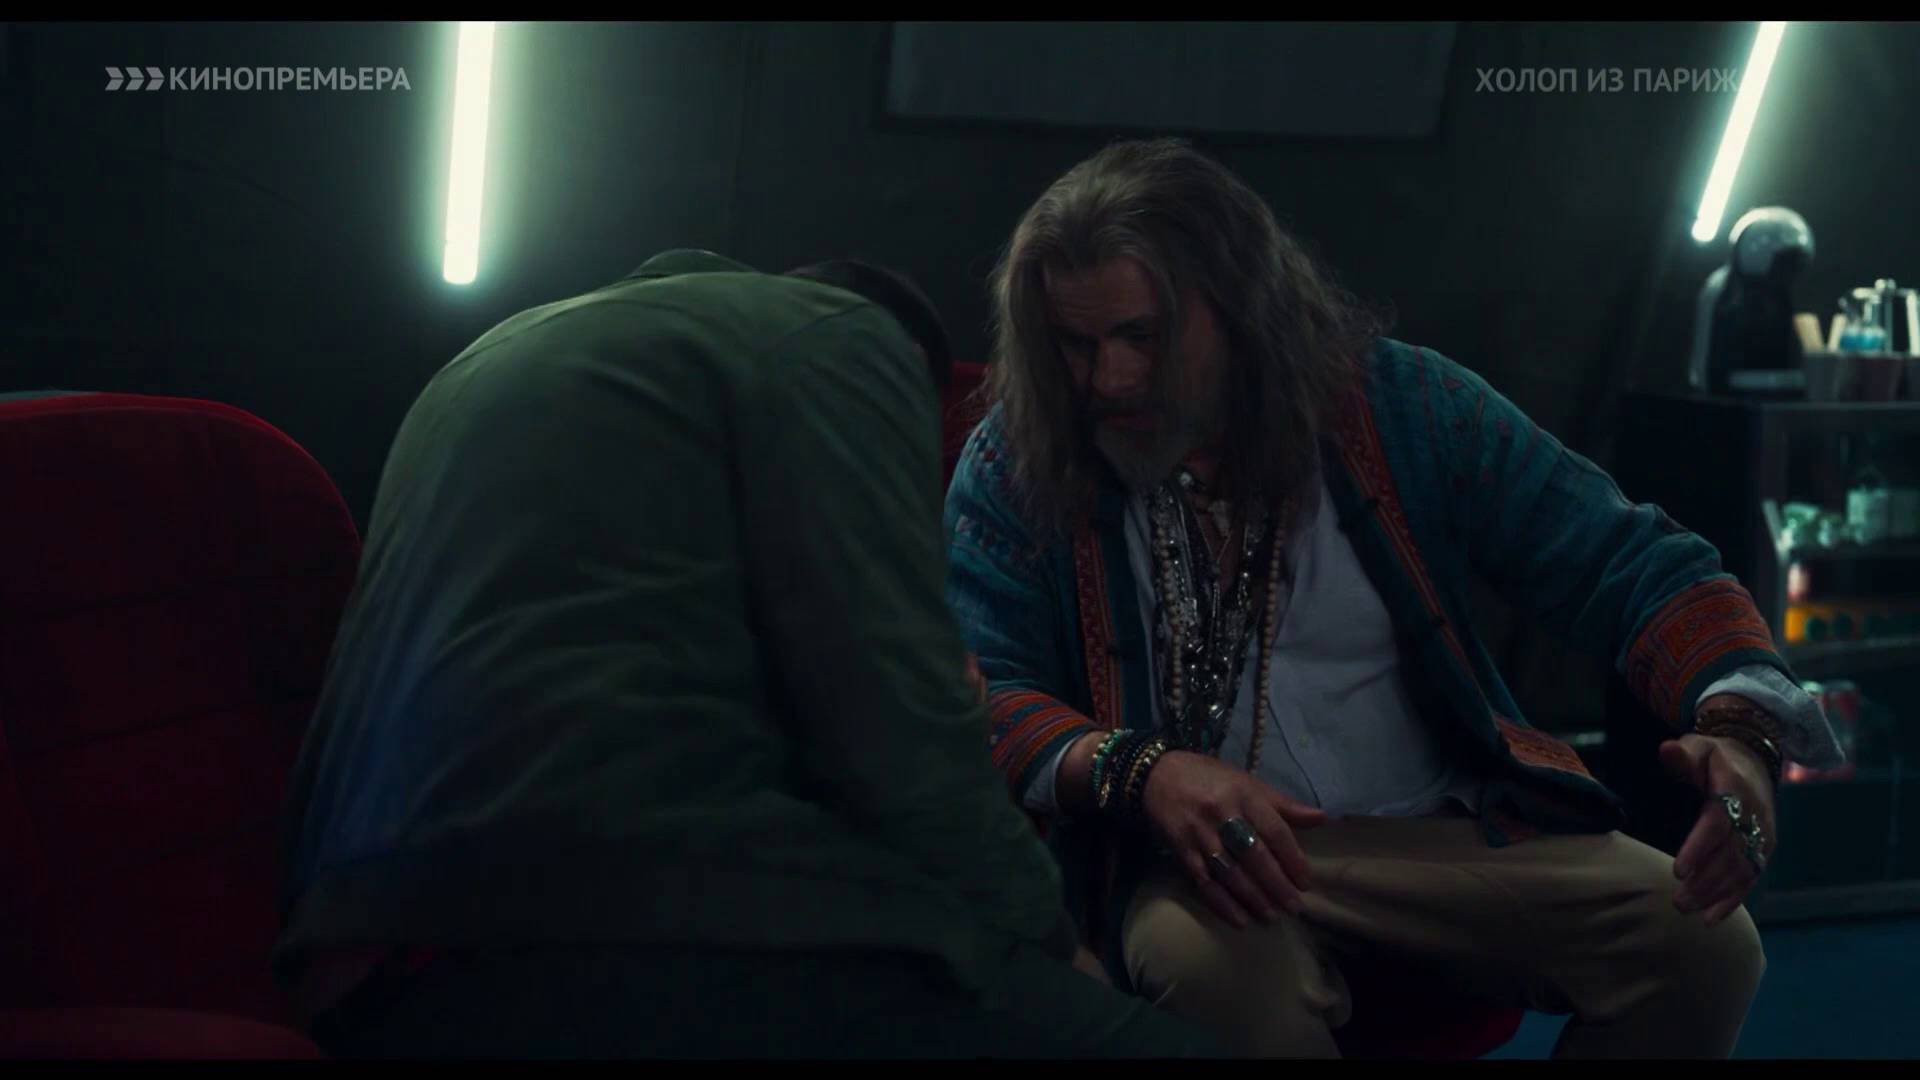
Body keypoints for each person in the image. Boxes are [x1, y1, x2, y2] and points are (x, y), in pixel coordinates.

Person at [944, 139, 1845, 1058]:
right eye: (1076, 345)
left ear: (1239, 307)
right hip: (1205, 866)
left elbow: (1631, 560)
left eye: (1142, 336)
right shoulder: (1020, 461)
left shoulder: (1400, 405)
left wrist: (1741, 728)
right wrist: (1143, 772)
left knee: (1706, 946)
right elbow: (982, 694)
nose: (1108, 380)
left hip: (1440, 832)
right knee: (1215, 978)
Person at [274, 249, 1217, 1058]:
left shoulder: (494, 356)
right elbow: (897, 723)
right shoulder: (837, 338)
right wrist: (1047, 939)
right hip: (615, 930)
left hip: (363, 965)